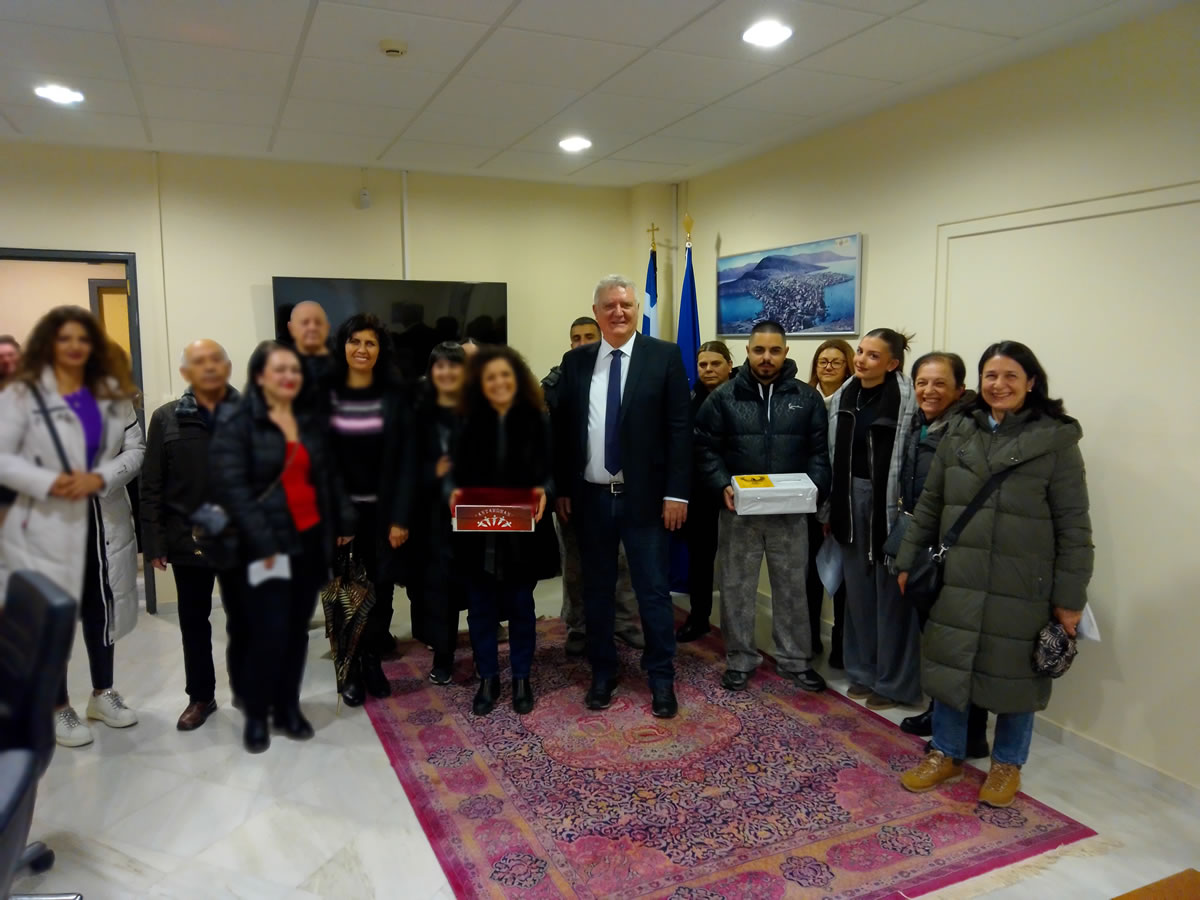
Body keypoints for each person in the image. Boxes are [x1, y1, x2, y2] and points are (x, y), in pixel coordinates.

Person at [897, 342, 1093, 808]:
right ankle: (946, 752)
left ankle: (1007, 764)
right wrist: (907, 559)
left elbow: (1074, 526)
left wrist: (1070, 597)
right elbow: (931, 504)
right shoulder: (961, 430)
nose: (999, 385)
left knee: (1016, 678)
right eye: (991, 375)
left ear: (1031, 382)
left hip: (1022, 586)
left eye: (1010, 376)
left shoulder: (1055, 442)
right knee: (950, 665)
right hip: (959, 577)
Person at [0, 307, 144, 748]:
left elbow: (136, 450)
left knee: (102, 608)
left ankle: (103, 694)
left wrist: (101, 477)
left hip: (102, 520)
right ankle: (58, 705)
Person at [553, 275, 692, 719]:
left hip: (646, 500)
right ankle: (603, 672)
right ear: (596, 313)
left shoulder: (664, 356)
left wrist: (677, 493)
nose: (619, 312)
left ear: (636, 310)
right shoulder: (576, 362)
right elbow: (565, 431)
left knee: (652, 592)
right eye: (609, 305)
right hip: (591, 498)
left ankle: (661, 677)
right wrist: (563, 488)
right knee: (596, 591)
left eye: (626, 305)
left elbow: (680, 431)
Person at [210, 341, 355, 753]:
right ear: (260, 376)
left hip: (307, 543)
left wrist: (344, 519)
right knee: (264, 633)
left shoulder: (308, 421)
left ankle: (288, 707)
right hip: (264, 548)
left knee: (295, 631)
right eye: (279, 369)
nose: (289, 377)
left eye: (294, 370)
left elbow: (328, 476)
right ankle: (257, 715)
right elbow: (233, 491)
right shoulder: (238, 422)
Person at [695, 322, 831, 691]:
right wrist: (721, 483)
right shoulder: (723, 398)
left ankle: (795, 660)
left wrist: (814, 489)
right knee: (737, 588)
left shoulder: (807, 398)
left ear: (785, 353)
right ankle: (740, 659)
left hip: (790, 512)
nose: (766, 358)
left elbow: (820, 452)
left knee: (792, 588)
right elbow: (704, 447)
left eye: (774, 351)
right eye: (759, 350)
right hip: (739, 510)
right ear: (748, 352)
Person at [889, 352, 989, 757]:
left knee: (962, 648)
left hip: (958, 553)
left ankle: (972, 733)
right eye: (922, 383)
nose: (929, 391)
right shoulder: (920, 423)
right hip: (925, 547)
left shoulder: (970, 433)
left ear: (960, 389)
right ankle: (940, 713)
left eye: (939, 383)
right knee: (934, 640)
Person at [140, 339, 244, 731]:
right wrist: (154, 542)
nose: (209, 367)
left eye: (217, 359)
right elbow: (152, 485)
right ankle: (201, 697)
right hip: (189, 541)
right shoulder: (166, 419)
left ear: (228, 366)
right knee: (194, 624)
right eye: (199, 361)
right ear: (186, 372)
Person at [448, 346, 556, 716]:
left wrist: (544, 488)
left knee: (521, 606)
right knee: (480, 609)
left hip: (521, 533)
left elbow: (551, 470)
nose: (498, 382)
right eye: (490, 377)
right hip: (476, 532)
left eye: (505, 375)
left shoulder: (537, 421)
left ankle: (522, 677)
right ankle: (488, 677)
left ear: (517, 380)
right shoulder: (463, 421)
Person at [824, 328, 921, 710]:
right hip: (849, 501)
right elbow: (833, 454)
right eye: (860, 351)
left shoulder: (908, 401)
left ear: (893, 363)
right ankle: (862, 671)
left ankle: (893, 682)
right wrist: (829, 508)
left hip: (891, 506)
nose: (861, 360)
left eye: (873, 355)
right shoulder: (844, 396)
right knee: (858, 596)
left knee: (892, 598)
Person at [328, 314, 414, 706]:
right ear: (343, 346)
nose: (362, 349)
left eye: (370, 343)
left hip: (384, 516)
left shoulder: (395, 395)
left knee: (381, 592)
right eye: (355, 341)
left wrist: (400, 517)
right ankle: (348, 670)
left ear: (380, 350)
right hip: (342, 515)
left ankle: (372, 661)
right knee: (346, 594)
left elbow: (406, 461)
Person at [543, 316, 641, 657]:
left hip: (620, 488)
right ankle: (578, 626)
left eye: (589, 336)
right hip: (575, 491)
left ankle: (624, 623)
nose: (582, 342)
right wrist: (560, 490)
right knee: (575, 565)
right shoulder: (557, 381)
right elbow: (553, 443)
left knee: (624, 561)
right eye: (576, 337)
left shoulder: (623, 372)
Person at [406, 342, 470, 684]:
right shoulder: (418, 411)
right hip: (433, 514)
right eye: (440, 366)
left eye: (453, 365)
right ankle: (444, 655)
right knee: (440, 589)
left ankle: (484, 652)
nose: (447, 372)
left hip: (473, 512)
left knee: (476, 584)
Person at [677, 340, 735, 643]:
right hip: (699, 495)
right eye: (703, 365)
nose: (709, 369)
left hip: (735, 493)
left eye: (715, 363)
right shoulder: (689, 399)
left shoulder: (742, 396)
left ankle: (736, 627)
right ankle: (699, 618)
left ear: (729, 365)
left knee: (736, 564)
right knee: (700, 561)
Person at [805, 339, 854, 666]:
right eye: (823, 361)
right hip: (806, 503)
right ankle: (809, 638)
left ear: (848, 366)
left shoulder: (853, 404)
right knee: (808, 576)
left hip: (842, 504)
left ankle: (841, 645)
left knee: (843, 580)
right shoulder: (805, 400)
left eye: (836, 361)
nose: (828, 367)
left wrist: (831, 510)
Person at [288, 301, 335, 412]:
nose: (312, 328)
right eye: (305, 322)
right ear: (291, 327)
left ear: (327, 327)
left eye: (318, 323)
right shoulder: (275, 367)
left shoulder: (342, 367)